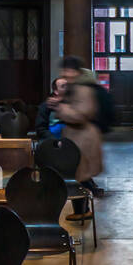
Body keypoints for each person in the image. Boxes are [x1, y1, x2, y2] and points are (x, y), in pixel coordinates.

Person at [48, 58, 105, 198]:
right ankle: (82, 210)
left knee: (80, 175)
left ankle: (84, 209)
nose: (65, 73)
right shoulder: (72, 88)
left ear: (76, 72)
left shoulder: (84, 90)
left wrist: (60, 107)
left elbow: (80, 115)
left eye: (68, 70)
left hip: (84, 139)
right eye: (64, 70)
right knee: (77, 175)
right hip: (75, 137)